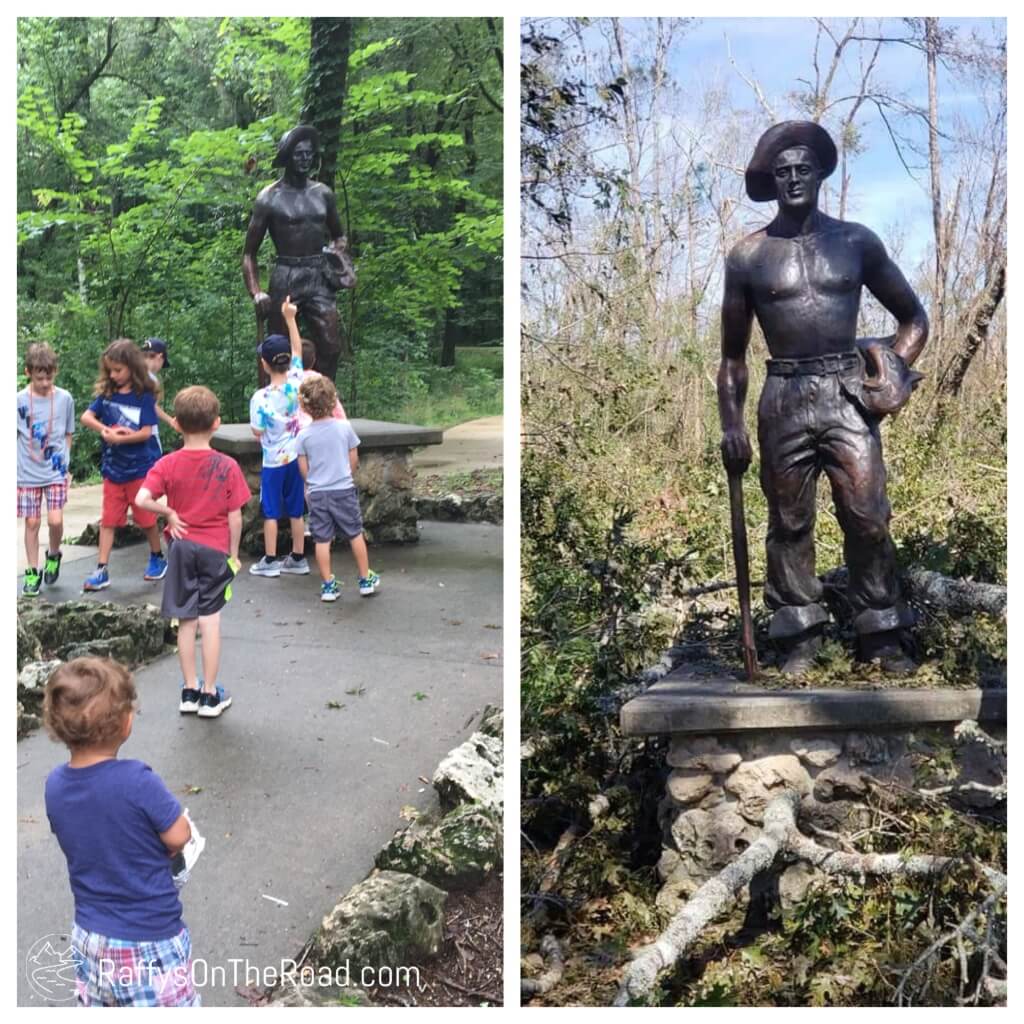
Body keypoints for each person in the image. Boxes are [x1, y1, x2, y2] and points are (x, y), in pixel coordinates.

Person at [718, 121, 929, 675]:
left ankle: (881, 633)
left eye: (802, 169)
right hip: (783, 394)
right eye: (782, 171)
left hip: (846, 392)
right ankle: (798, 635)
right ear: (772, 180)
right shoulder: (748, 257)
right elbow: (733, 357)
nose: (793, 179)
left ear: (819, 175)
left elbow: (913, 319)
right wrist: (731, 425)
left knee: (867, 515)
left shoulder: (857, 242)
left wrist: (893, 371)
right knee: (788, 521)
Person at [43, 657, 200, 1006]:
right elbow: (178, 835)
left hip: (89, 937)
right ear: (126, 723)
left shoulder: (54, 785)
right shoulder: (137, 780)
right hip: (149, 940)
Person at [136, 386, 251, 717]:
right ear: (216, 423)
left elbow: (142, 500)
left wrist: (169, 514)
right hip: (214, 551)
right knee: (210, 620)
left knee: (186, 619)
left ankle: (189, 690)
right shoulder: (227, 466)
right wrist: (234, 553)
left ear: (176, 424)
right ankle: (211, 694)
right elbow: (235, 516)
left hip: (181, 549)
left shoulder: (167, 464)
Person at [242, 124, 355, 382]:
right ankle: (274, 405)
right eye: (298, 154)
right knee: (277, 350)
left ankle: (320, 403)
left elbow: (339, 234)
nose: (305, 159)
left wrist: (337, 252)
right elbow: (249, 253)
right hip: (286, 275)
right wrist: (257, 291)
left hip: (318, 275)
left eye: (309, 154)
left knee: (331, 346)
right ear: (286, 157)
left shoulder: (323, 194)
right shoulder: (269, 198)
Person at [80, 339, 168, 591]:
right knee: (108, 521)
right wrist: (106, 430)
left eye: (118, 370)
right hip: (112, 470)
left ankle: (157, 556)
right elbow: (87, 416)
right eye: (110, 370)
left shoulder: (144, 397)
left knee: (145, 518)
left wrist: (124, 436)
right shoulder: (107, 395)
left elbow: (146, 432)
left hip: (139, 469)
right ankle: (101, 569)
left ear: (131, 366)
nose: (113, 375)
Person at [296, 373, 380, 602]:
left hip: (317, 492)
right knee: (354, 533)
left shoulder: (302, 436)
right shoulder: (344, 428)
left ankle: (328, 585)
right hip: (343, 488)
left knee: (322, 539)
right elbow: (353, 457)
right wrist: (345, 475)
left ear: (304, 406)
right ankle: (365, 579)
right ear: (334, 401)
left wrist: (312, 482)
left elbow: (303, 468)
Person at [247, 295, 310, 578]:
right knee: (297, 510)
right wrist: (290, 318)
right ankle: (298, 557)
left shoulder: (260, 398)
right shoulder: (298, 380)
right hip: (297, 458)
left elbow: (257, 431)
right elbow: (297, 347)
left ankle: (271, 561)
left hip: (273, 461)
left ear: (264, 364)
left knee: (271, 511)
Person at [17, 342, 75, 596]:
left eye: (49, 377)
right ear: (28, 372)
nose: (44, 383)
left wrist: (67, 464)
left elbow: (68, 433)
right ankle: (32, 571)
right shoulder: (17, 401)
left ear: (55, 372)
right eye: (39, 377)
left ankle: (53, 554)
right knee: (31, 522)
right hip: (26, 472)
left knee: (55, 520)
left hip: (55, 471)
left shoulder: (65, 399)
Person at [141, 337, 179, 435]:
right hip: (148, 433)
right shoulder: (151, 379)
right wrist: (171, 421)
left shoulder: (131, 373)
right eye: (163, 363)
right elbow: (152, 406)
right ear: (159, 357)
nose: (161, 367)